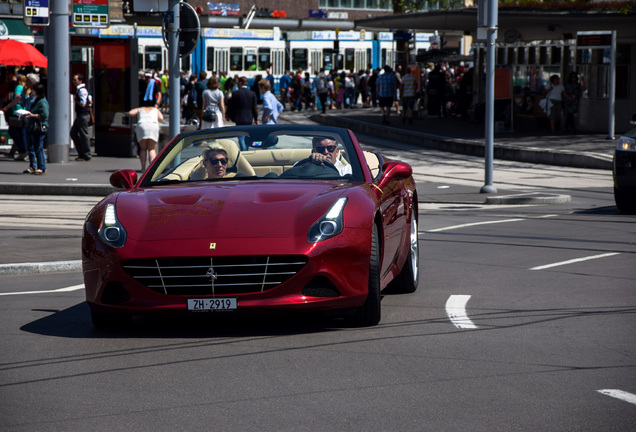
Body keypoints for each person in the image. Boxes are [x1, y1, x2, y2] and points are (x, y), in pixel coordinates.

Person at [128, 102, 164, 172]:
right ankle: (152, 169)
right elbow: (161, 118)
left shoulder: (140, 109)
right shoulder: (155, 109)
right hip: (153, 126)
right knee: (151, 149)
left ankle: (143, 168)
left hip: (142, 126)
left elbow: (130, 113)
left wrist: (138, 110)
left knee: (143, 149)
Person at [23, 82, 48, 175]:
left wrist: (32, 115)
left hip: (38, 127)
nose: (32, 91)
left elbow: (44, 115)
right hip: (33, 126)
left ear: (37, 91)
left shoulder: (42, 101)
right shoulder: (36, 100)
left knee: (38, 147)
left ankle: (42, 167)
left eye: (33, 89)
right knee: (32, 146)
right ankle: (33, 166)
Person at [227, 76, 257, 150]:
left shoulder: (236, 93)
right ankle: (246, 150)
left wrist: (228, 115)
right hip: (249, 118)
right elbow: (255, 108)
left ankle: (243, 152)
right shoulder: (252, 93)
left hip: (239, 118)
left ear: (240, 83)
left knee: (240, 136)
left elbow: (231, 106)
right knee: (247, 136)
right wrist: (256, 118)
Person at [3, 74, 28, 161]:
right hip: (22, 112)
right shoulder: (25, 88)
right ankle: (19, 151)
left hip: (16, 112)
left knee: (12, 131)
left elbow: (17, 97)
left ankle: (22, 150)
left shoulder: (19, 87)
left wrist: (8, 106)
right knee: (20, 133)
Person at [70, 73, 92, 161]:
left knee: (83, 135)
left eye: (75, 80)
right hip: (81, 115)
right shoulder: (80, 90)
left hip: (83, 115)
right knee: (74, 133)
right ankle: (82, 153)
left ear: (80, 81)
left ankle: (86, 154)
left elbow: (83, 104)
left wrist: (76, 100)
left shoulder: (82, 90)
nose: (73, 82)